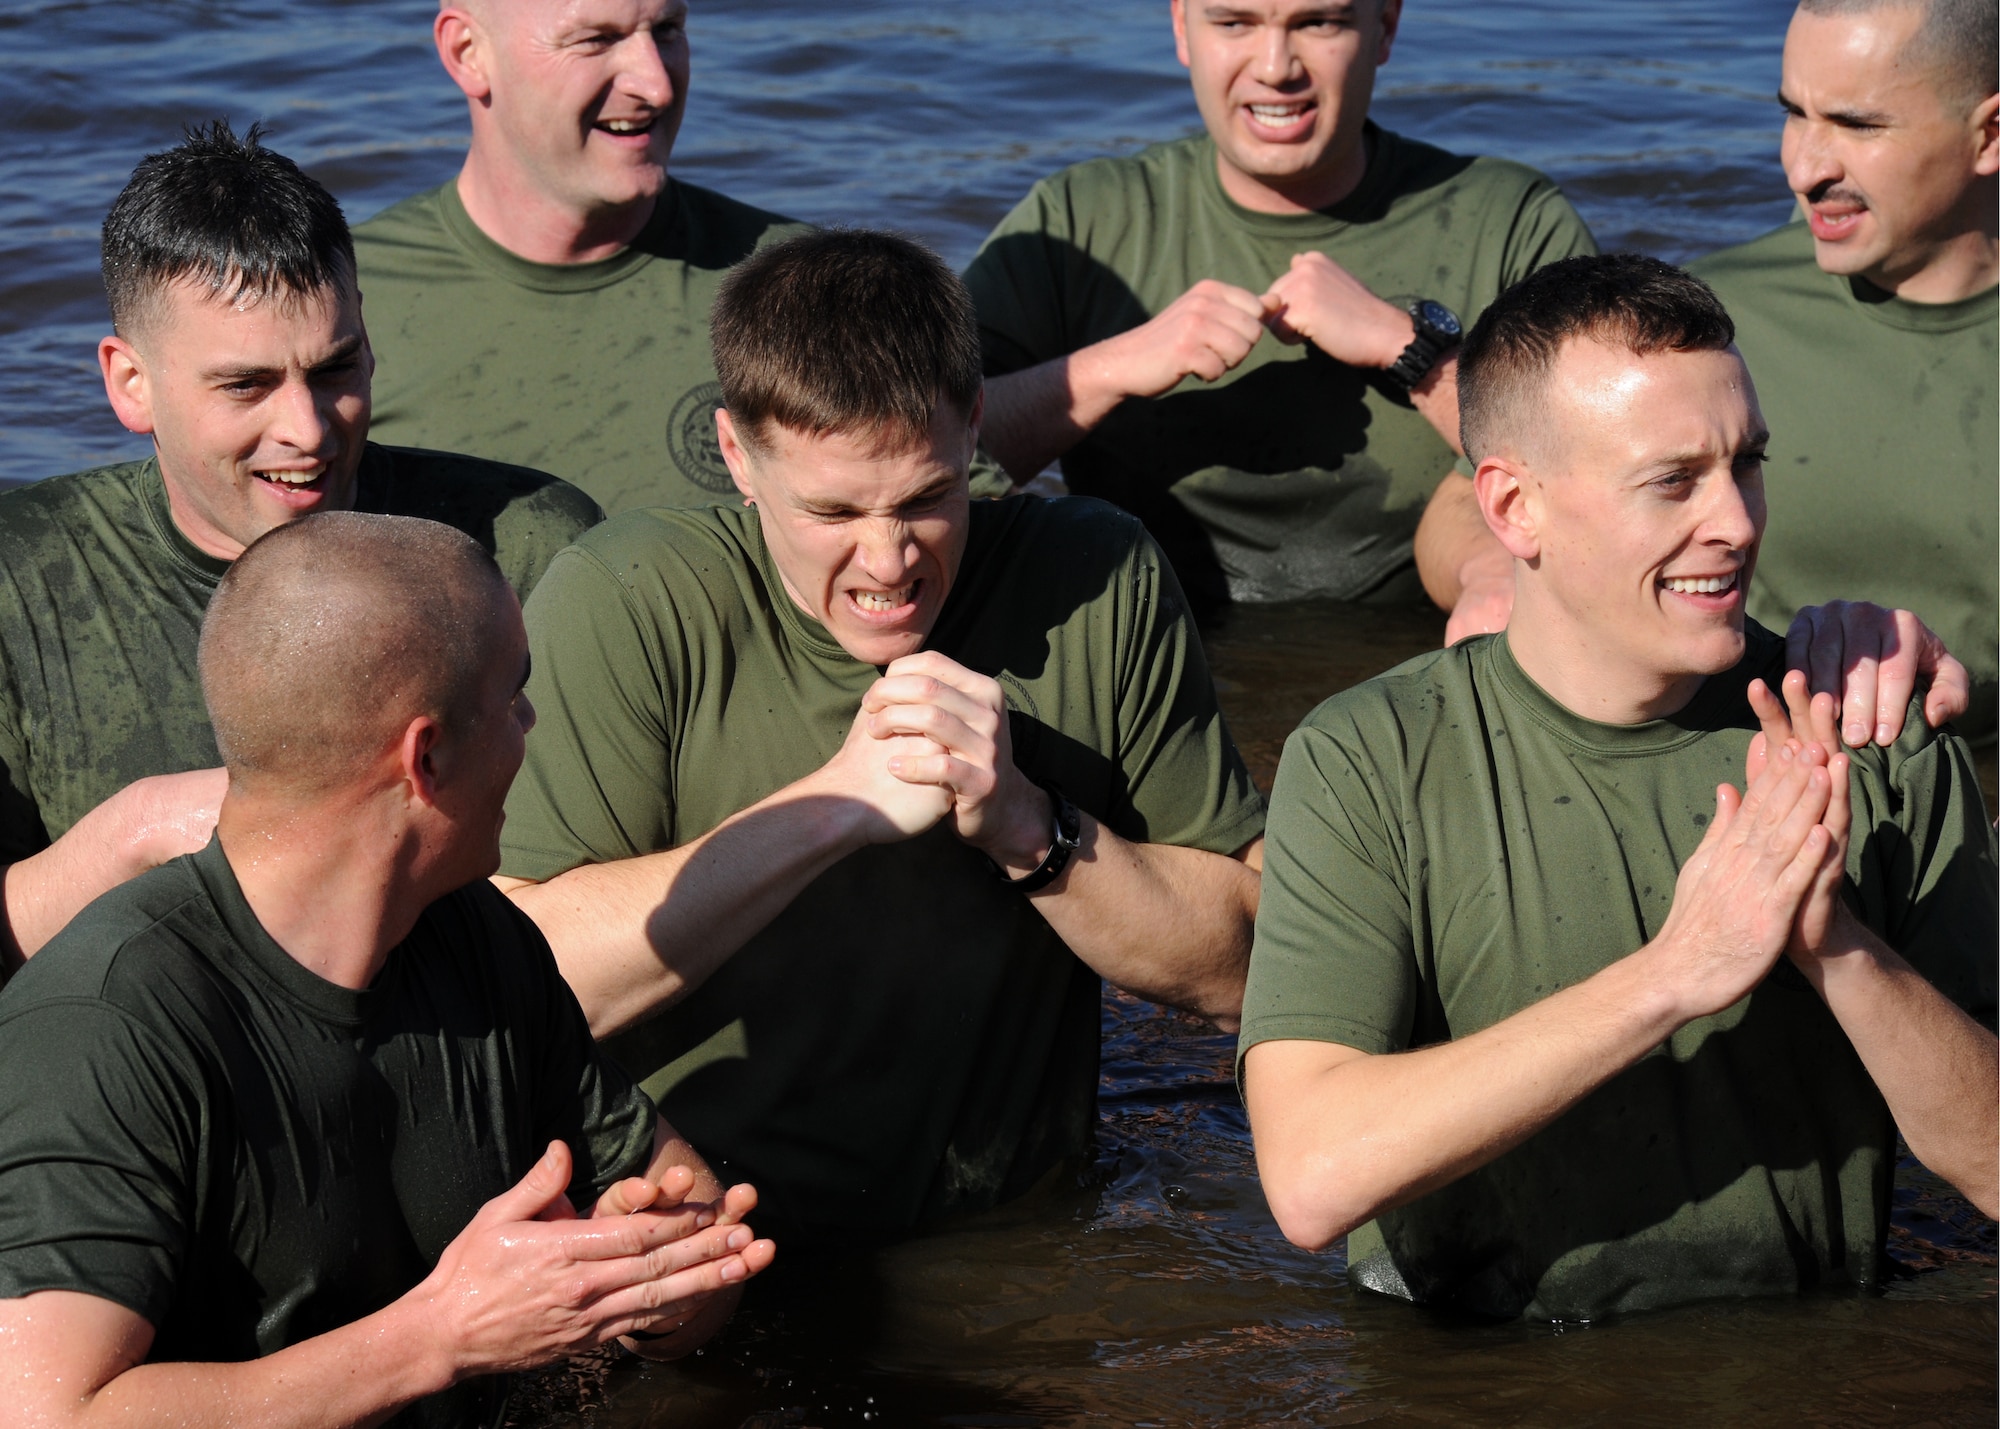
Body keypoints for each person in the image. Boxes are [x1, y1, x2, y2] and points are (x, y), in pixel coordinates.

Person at [1240, 254, 1996, 1322]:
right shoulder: (1366, 757)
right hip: (1477, 1378)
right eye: (1671, 480)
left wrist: (1833, 945)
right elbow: (1311, 1176)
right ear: (1512, 506)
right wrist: (1677, 971)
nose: (1735, 523)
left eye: (1747, 463)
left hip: (1816, 1362)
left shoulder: (1869, 727)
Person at [496, 229, 1267, 1243]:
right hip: (707, 1241)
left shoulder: (1094, 574)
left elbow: (1248, 968)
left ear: (976, 426)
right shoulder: (627, 597)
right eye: (832, 510)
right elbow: (519, 992)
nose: (888, 560)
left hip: (1024, 1230)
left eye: (926, 499)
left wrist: (1031, 830)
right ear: (736, 454)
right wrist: (829, 811)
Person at [0, 512, 775, 1428]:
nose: (531, 725)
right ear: (427, 755)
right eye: (514, 696)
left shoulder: (475, 939)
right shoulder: (104, 1021)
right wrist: (440, 1335)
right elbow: (49, 1412)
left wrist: (652, 1278)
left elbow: (685, 1215)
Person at [0, 122, 603, 971]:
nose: (308, 429)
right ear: (129, 383)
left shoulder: (534, 546)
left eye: (335, 369)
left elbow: (607, 882)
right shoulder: (22, 580)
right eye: (245, 384)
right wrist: (136, 834)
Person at [1423, 0, 1998, 744]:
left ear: (1988, 133)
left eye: (1858, 125)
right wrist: (1497, 574)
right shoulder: (1701, 328)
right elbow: (1471, 497)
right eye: (1794, 114)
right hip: (1736, 760)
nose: (1803, 166)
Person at [962, 0, 1597, 616]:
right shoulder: (1078, 223)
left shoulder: (1514, 221)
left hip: (1419, 642)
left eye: (1319, 22)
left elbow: (1602, 469)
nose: (1275, 67)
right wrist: (1107, 370)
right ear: (1183, 27)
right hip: (1137, 638)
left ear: (1385, 27)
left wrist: (1415, 354)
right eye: (1234, 22)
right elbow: (907, 455)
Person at [352, 0, 814, 515]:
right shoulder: (338, 302)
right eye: (595, 40)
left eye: (666, 30)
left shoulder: (806, 287)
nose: (657, 85)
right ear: (468, 53)